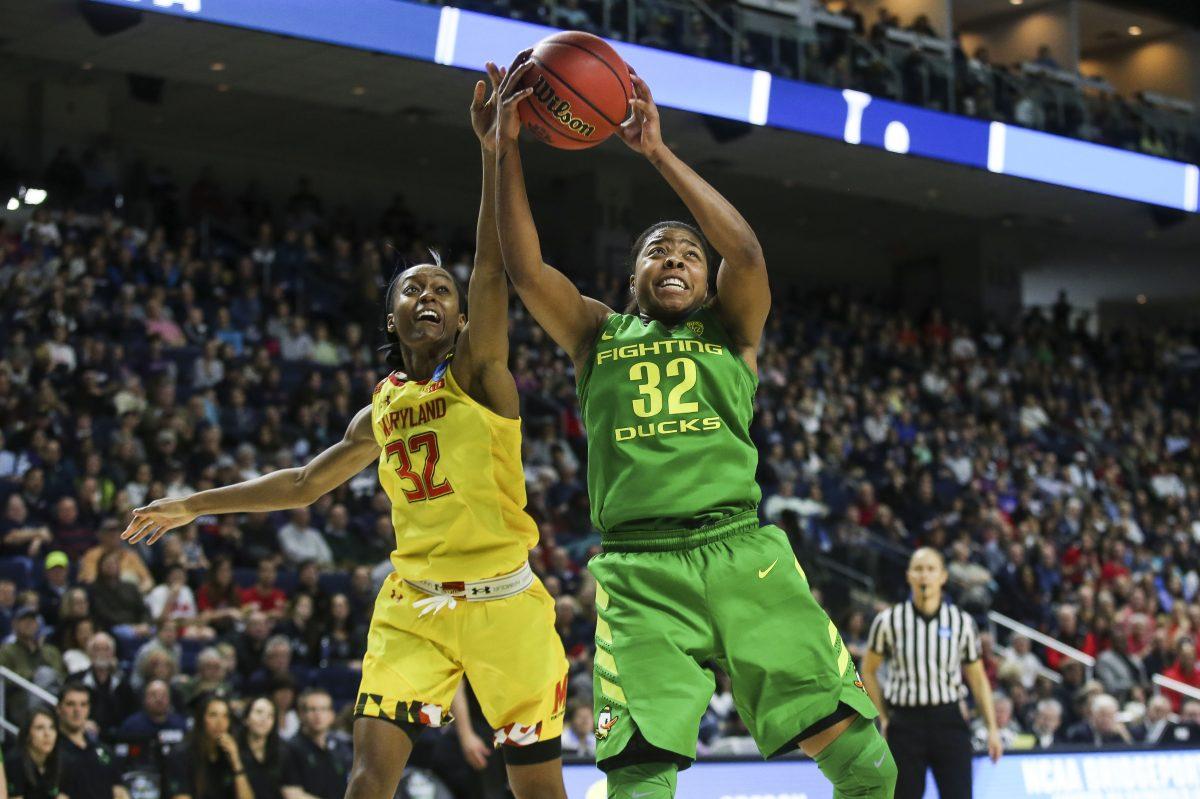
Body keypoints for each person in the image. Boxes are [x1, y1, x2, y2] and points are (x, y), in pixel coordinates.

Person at [122, 61, 568, 799]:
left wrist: (497, 153)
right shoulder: (381, 408)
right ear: (391, 317)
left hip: (506, 605)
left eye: (441, 291)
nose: (428, 296)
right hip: (415, 604)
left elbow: (493, 271)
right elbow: (302, 484)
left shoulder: (483, 375)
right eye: (411, 290)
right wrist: (193, 503)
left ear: (461, 318)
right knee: (367, 778)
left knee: (539, 791)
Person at [494, 56, 893, 799]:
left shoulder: (733, 328)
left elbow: (745, 250)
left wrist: (656, 152)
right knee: (638, 778)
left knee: (869, 765)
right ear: (634, 275)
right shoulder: (596, 335)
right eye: (657, 251)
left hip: (743, 552)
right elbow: (525, 271)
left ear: (708, 282)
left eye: (687, 254)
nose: (674, 257)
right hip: (641, 571)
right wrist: (503, 150)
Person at [861, 548, 1002, 799]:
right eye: (918, 569)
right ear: (909, 576)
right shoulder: (889, 621)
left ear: (943, 576)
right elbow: (868, 670)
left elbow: (978, 678)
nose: (924, 575)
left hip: (948, 719)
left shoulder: (961, 622)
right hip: (904, 723)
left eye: (930, 569)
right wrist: (882, 716)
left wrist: (992, 728)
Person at [164, 695, 253, 799]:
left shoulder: (228, 754)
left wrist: (236, 761)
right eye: (213, 715)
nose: (220, 722)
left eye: (225, 716)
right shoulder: (181, 754)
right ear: (201, 719)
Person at [56, 682, 129, 799]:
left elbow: (119, 790)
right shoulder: (52, 751)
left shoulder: (103, 750)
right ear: (59, 709)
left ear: (89, 709)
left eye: (83, 704)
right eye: (70, 704)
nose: (77, 710)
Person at [281, 688, 351, 799]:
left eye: (324, 709)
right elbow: (291, 793)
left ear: (332, 714)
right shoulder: (290, 748)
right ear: (301, 714)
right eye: (312, 709)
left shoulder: (342, 746)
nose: (318, 715)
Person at [5, 709, 67, 799]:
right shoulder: (15, 762)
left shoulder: (58, 760)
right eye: (40, 728)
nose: (47, 734)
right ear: (28, 734)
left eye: (52, 727)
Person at [238, 696, 284, 799]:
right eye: (259, 712)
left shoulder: (283, 751)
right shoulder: (234, 749)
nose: (264, 719)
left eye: (270, 715)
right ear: (246, 718)